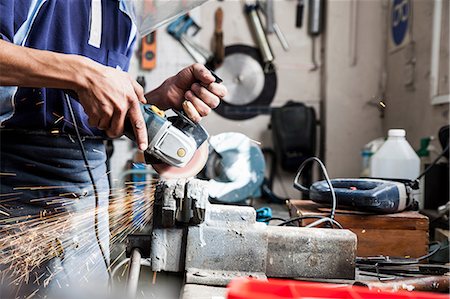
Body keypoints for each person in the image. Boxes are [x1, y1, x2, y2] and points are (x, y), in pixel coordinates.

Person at [0, 1, 227, 298]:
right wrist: (82, 72)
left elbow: (87, 116)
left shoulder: (124, 14)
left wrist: (150, 106)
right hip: (15, 183)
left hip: (88, 198)